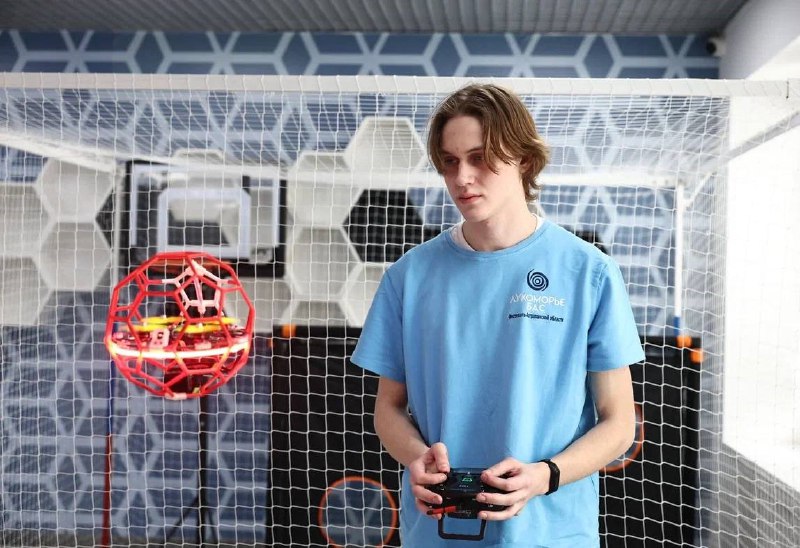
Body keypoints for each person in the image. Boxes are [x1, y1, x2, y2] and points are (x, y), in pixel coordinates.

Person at [350, 83, 645, 547]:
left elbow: (618, 422)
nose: (462, 177)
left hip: (551, 533)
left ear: (523, 159)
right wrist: (416, 457)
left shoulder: (589, 272)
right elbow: (388, 408)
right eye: (450, 161)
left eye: (480, 157)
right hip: (437, 532)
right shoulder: (409, 277)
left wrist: (545, 475)